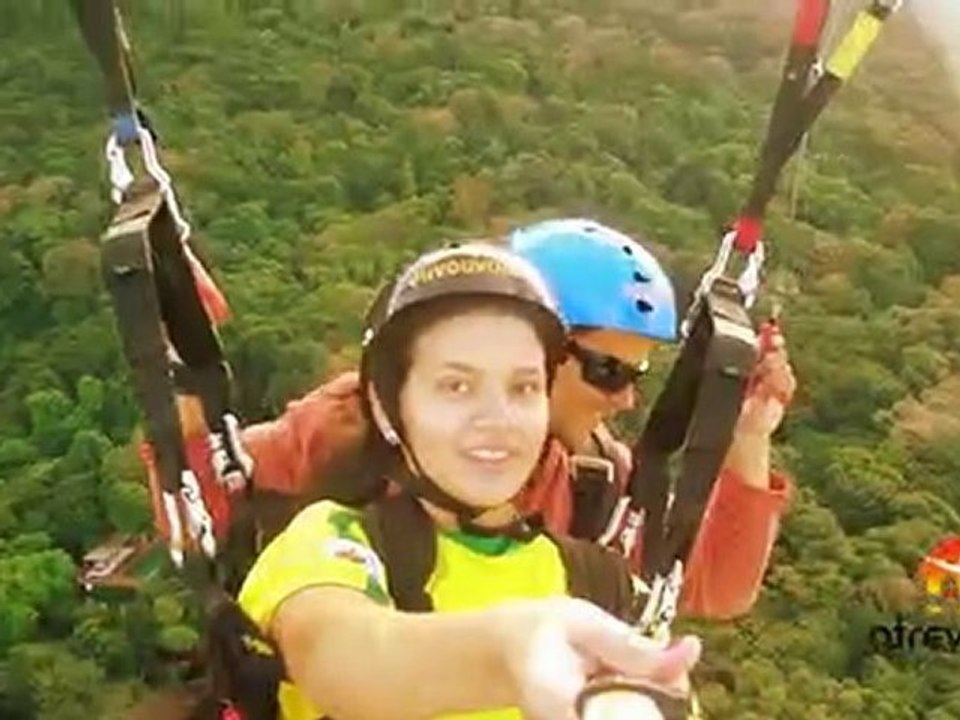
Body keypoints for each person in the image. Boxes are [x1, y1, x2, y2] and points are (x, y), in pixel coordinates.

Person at [232, 219, 795, 620]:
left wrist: (749, 436)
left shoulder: (587, 477)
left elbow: (708, 588)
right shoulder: (354, 428)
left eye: (636, 377)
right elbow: (211, 495)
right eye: (608, 372)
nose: (625, 402)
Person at [235, 243, 702, 720]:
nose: (497, 418)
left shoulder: (602, 584)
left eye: (523, 387)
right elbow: (338, 654)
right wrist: (511, 654)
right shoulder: (330, 542)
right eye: (456, 386)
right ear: (388, 404)